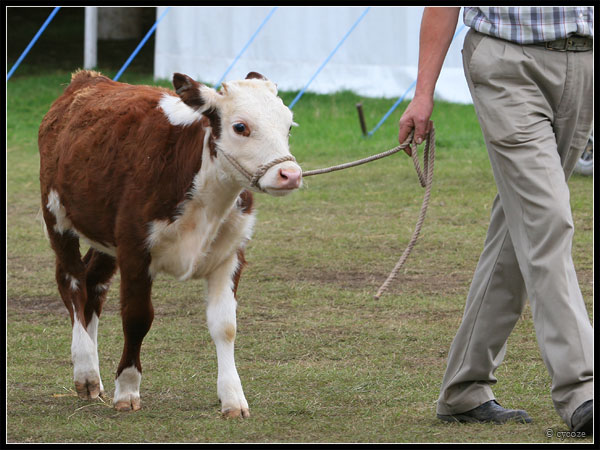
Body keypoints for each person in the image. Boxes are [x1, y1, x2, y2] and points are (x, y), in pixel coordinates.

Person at [398, 7, 593, 432]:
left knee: (520, 225)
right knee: (547, 220)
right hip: (507, 63)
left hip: (583, 63)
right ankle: (583, 389)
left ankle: (465, 387)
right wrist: (422, 92)